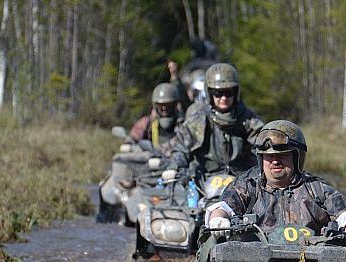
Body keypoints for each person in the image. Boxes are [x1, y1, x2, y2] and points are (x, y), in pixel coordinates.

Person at [206, 120, 346, 245]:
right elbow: (222, 207)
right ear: (261, 159)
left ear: (297, 157)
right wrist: (218, 219)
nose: (275, 161)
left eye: (282, 155)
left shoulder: (318, 190)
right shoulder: (248, 186)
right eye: (269, 156)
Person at [159, 63, 264, 182]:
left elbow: (262, 143)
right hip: (206, 181)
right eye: (218, 93)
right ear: (209, 93)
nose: (224, 98)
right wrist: (174, 166)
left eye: (228, 93)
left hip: (243, 182)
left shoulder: (247, 118)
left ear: (236, 93)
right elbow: (181, 147)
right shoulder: (199, 119)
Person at [97, 83, 183, 223]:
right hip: (149, 169)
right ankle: (114, 217)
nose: (164, 109)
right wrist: (130, 144)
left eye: (168, 105)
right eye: (161, 105)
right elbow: (133, 137)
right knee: (115, 184)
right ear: (155, 105)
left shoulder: (184, 124)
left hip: (177, 169)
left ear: (175, 105)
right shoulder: (147, 122)